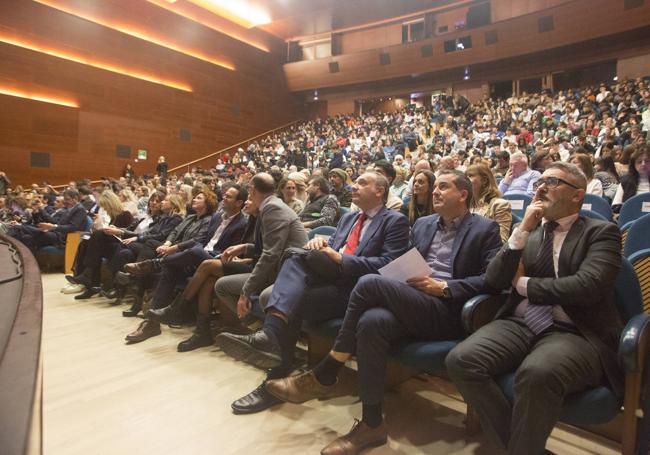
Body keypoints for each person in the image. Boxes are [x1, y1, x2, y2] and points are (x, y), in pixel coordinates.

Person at [263, 170, 502, 454]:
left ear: (463, 194)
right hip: (413, 299)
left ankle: (327, 371)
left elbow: (492, 280)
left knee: (368, 282)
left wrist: (446, 287)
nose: (434, 191)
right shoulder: (424, 224)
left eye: (444, 187)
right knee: (372, 322)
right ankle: (372, 424)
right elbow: (408, 261)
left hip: (448, 308)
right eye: (434, 187)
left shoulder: (484, 228)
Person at [445, 162, 623, 455]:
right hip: (520, 323)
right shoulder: (527, 231)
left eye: (552, 182)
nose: (540, 188)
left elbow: (587, 287)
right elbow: (494, 280)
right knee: (461, 360)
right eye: (539, 181)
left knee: (537, 373)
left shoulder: (601, 232)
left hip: (574, 331)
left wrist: (525, 285)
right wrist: (523, 230)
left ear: (578, 195)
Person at [215, 171, 410, 415]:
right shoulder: (349, 219)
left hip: (358, 290)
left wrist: (341, 258)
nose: (354, 186)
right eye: (355, 182)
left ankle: (272, 361)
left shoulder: (394, 220)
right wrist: (321, 245)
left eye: (362, 182)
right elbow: (333, 248)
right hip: (329, 280)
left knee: (291, 271)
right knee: (296, 259)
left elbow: (389, 264)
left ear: (380, 191)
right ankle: (274, 360)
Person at [123, 190, 218, 342]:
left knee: (166, 264)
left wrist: (172, 248)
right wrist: (167, 244)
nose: (194, 199)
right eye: (195, 196)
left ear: (208, 203)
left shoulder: (210, 220)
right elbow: (175, 232)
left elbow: (198, 241)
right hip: (175, 256)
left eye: (199, 198)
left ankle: (151, 321)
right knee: (167, 268)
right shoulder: (190, 217)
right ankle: (151, 323)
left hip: (191, 260)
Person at [9, 189, 87, 252]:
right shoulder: (69, 209)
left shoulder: (80, 209)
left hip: (63, 238)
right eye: (65, 199)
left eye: (67, 199)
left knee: (19, 228)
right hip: (55, 233)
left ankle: (12, 232)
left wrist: (53, 227)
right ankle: (29, 264)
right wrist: (48, 226)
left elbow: (73, 227)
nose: (65, 202)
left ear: (75, 199)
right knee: (27, 238)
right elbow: (56, 222)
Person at [466, 164, 512, 242]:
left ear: (484, 180)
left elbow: (501, 241)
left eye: (470, 176)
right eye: (465, 176)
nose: (465, 180)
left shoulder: (499, 205)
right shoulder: (466, 206)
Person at [612, 145, 650, 210]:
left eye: (647, 161)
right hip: (631, 218)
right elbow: (616, 206)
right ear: (634, 164)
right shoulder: (625, 181)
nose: (643, 164)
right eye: (639, 161)